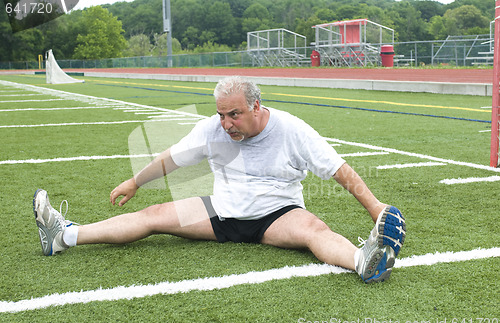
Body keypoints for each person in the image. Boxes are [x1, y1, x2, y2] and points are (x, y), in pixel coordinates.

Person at [33, 76, 406, 283]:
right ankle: (63, 236)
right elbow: (171, 159)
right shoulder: (214, 128)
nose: (227, 124)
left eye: (234, 114)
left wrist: (376, 209)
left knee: (314, 230)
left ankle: (364, 261)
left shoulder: (293, 130)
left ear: (257, 106)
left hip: (277, 215)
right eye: (222, 115)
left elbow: (339, 171)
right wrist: (135, 182)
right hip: (221, 212)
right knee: (153, 215)